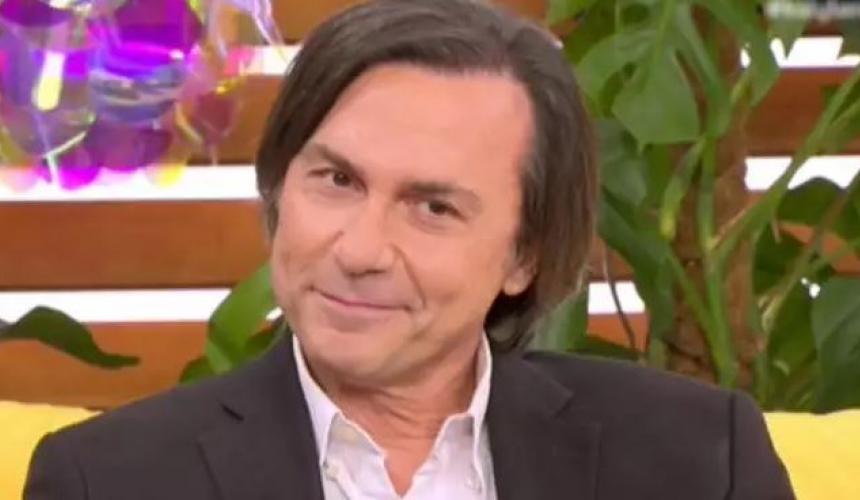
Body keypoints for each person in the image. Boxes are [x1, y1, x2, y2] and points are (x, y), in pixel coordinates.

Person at [24, 0, 795, 498]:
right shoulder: (106, 481)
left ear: (524, 256)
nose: (360, 249)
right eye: (337, 180)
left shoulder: (700, 460)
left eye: (433, 207)